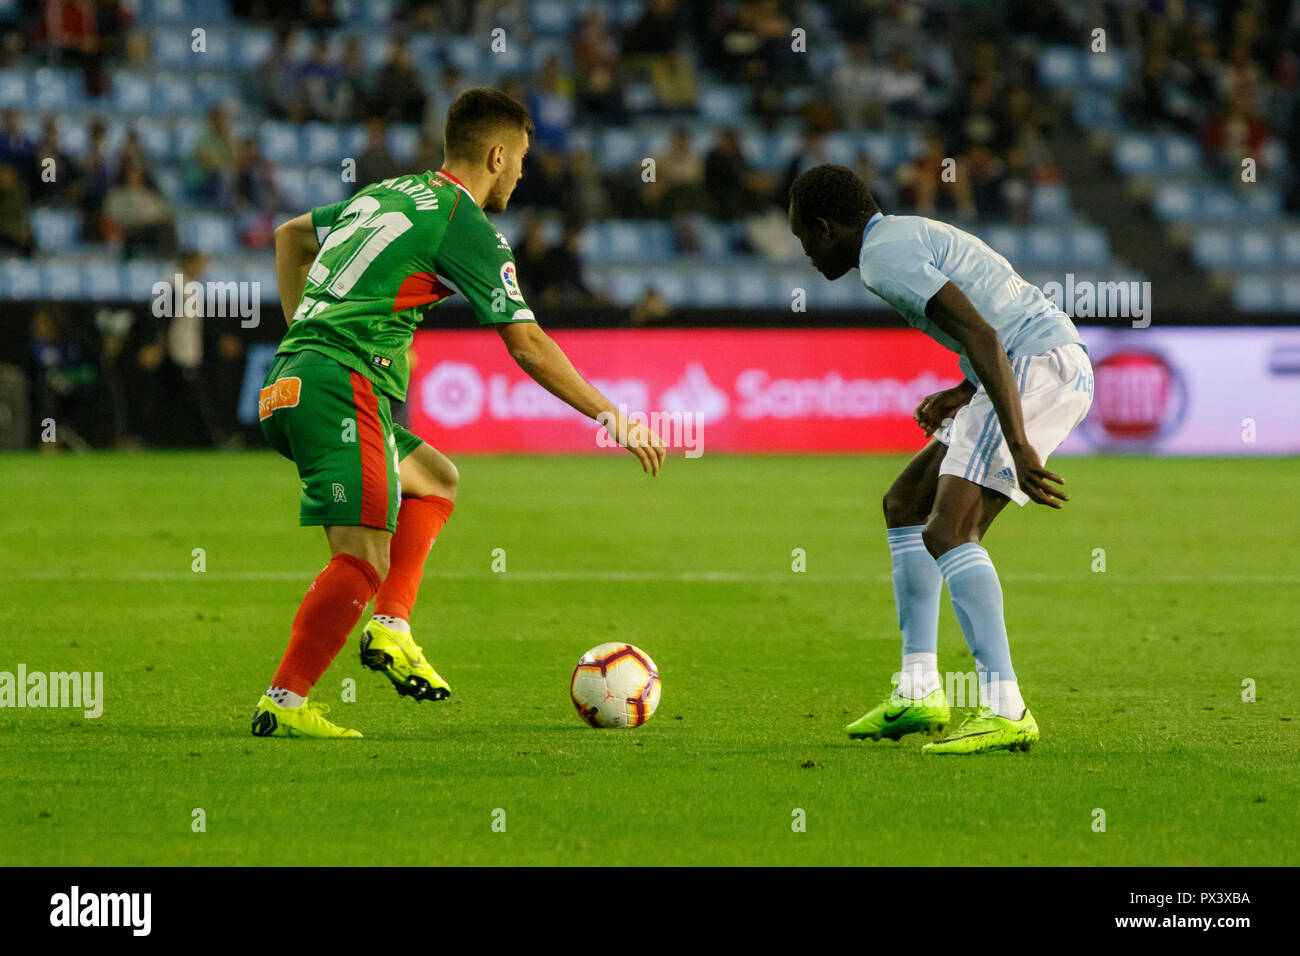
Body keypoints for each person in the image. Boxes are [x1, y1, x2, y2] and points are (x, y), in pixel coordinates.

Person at [253, 89, 665, 739]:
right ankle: (285, 698)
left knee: (436, 479)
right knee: (361, 559)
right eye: (522, 159)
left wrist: (300, 333)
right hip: (340, 383)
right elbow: (527, 344)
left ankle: (390, 626)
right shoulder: (464, 224)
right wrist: (612, 416)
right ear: (497, 155)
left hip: (289, 383)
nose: (523, 173)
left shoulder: (388, 193)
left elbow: (289, 237)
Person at [787, 164, 1094, 755]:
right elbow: (989, 317)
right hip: (1037, 360)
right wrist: (963, 393)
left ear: (825, 227)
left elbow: (984, 335)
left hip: (1036, 366)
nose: (806, 253)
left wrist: (1019, 442)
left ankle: (1006, 708)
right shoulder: (899, 236)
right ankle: (919, 689)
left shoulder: (884, 258)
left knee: (951, 531)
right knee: (904, 504)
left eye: (804, 239)